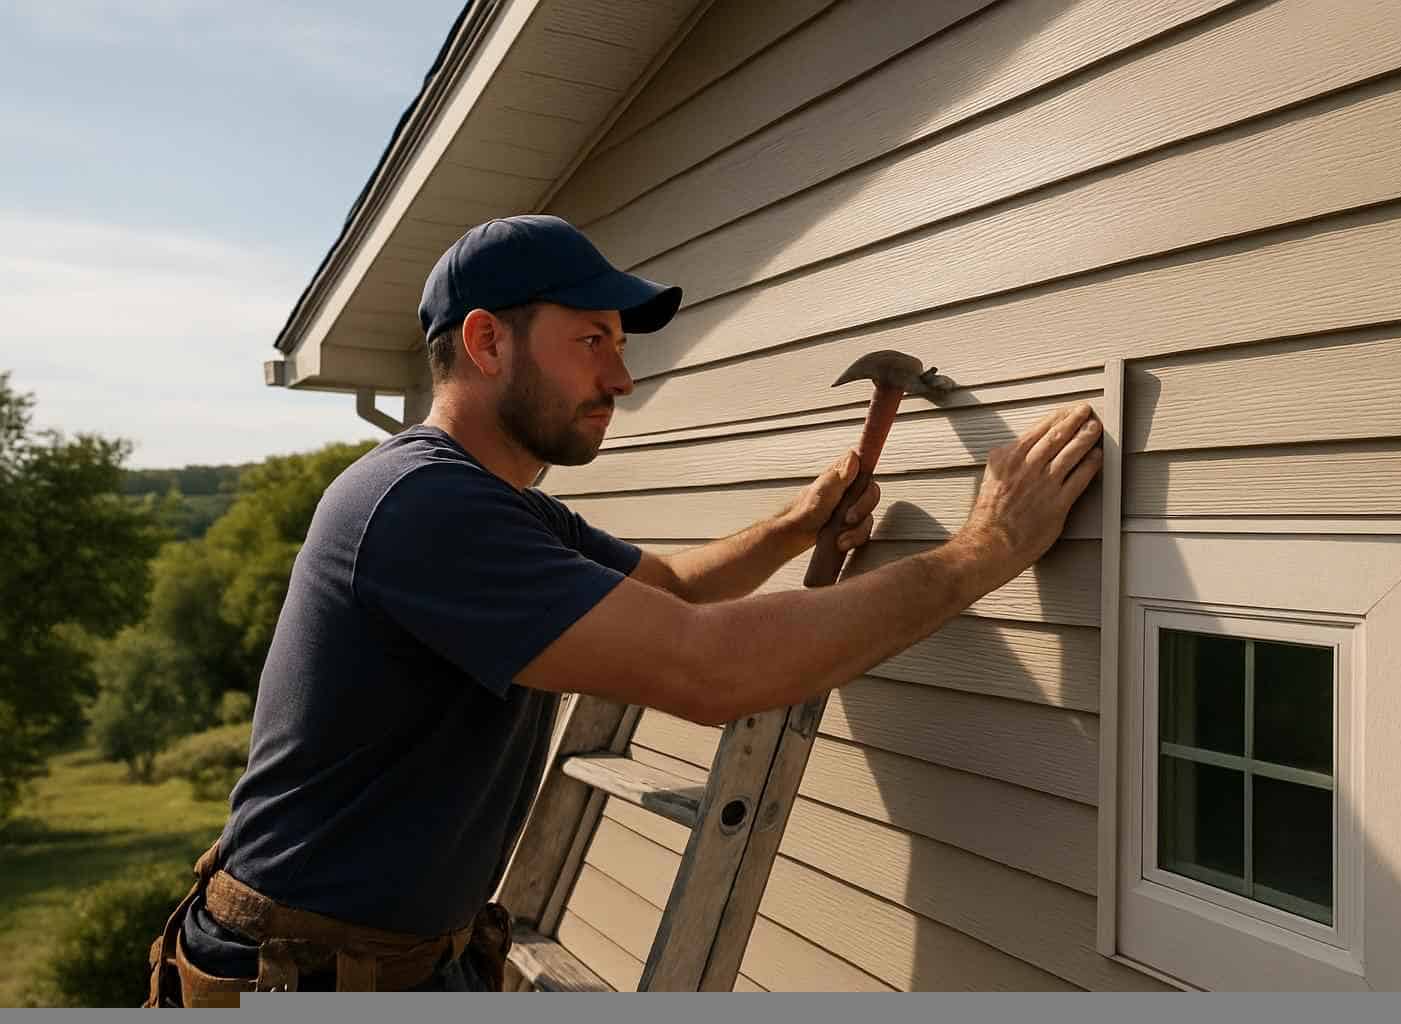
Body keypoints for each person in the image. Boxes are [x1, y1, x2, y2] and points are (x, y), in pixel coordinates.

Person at [149, 215, 1102, 1004]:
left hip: (401, 963)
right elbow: (706, 667)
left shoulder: (500, 508)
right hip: (302, 980)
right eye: (592, 341)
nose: (621, 377)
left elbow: (675, 590)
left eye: (620, 344)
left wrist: (794, 523)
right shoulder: (418, 505)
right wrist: (986, 550)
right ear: (487, 342)